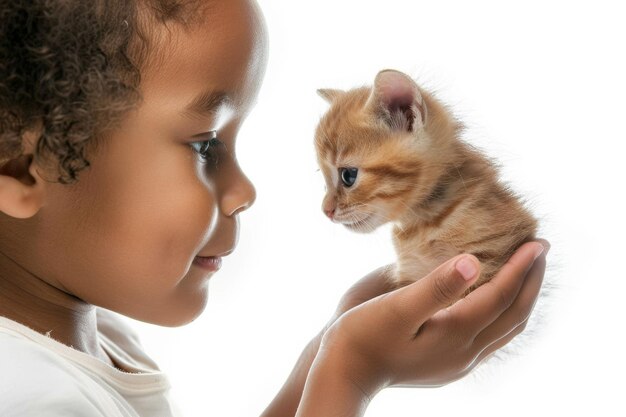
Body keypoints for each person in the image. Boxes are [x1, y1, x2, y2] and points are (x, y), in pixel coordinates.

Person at [0, 1, 549, 416]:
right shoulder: (31, 398)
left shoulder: (102, 338)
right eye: (204, 144)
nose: (244, 191)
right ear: (21, 169)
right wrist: (352, 371)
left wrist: (323, 353)